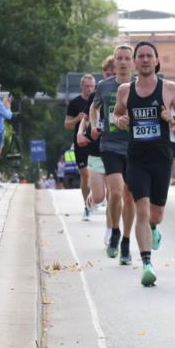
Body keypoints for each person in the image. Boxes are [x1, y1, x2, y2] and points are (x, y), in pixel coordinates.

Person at [113, 41, 175, 286]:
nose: (145, 60)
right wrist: (119, 120)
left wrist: (172, 119)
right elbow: (116, 113)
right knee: (142, 210)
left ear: (156, 61)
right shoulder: (125, 90)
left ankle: (154, 228)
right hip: (136, 159)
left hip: (161, 159)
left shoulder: (170, 88)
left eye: (149, 56)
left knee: (156, 214)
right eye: (141, 56)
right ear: (135, 62)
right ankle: (147, 264)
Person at [91, 45, 137, 264]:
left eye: (127, 58)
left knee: (130, 196)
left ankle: (126, 241)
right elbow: (94, 108)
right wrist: (94, 125)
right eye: (120, 58)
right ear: (115, 62)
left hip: (134, 147)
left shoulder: (140, 86)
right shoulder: (104, 86)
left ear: (133, 62)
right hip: (110, 145)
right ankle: (115, 232)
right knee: (116, 192)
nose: (123, 62)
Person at [82, 57, 113, 236]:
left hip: (116, 147)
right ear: (103, 74)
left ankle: (110, 231)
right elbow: (86, 117)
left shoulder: (126, 91)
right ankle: (92, 198)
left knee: (114, 194)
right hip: (96, 148)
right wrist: (81, 133)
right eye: (107, 74)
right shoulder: (98, 92)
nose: (111, 77)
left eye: (113, 74)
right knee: (100, 197)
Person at [65, 73, 98, 220]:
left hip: (97, 142)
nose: (89, 89)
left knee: (99, 173)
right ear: (81, 86)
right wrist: (77, 119)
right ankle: (87, 205)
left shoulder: (98, 100)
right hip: (81, 142)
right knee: (85, 174)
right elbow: (67, 124)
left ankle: (98, 196)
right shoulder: (74, 103)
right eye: (87, 86)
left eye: (92, 86)